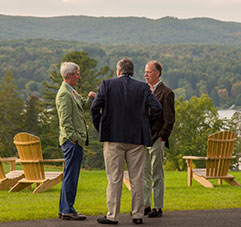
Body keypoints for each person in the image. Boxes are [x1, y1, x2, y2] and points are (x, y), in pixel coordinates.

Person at [91, 58, 162, 225]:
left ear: (118, 71)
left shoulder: (107, 85)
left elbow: (95, 108)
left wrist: (101, 127)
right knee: (137, 178)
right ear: (133, 71)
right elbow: (157, 108)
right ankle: (137, 215)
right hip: (137, 138)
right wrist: (146, 125)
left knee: (114, 178)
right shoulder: (142, 87)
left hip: (113, 138)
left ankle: (112, 215)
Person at [56, 62, 96, 220]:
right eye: (77, 74)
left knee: (69, 175)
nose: (79, 77)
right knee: (71, 176)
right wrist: (74, 139)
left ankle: (64, 208)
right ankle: (68, 210)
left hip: (74, 141)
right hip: (72, 142)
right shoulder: (64, 94)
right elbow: (65, 122)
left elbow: (83, 106)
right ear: (69, 75)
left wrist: (91, 98)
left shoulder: (71, 91)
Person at [144, 61, 175, 218]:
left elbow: (169, 120)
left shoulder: (167, 93)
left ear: (157, 73)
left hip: (157, 138)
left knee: (157, 173)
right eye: (145, 72)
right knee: (144, 173)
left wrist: (162, 137)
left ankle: (158, 207)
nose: (146, 74)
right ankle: (145, 205)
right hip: (144, 138)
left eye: (149, 72)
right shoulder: (144, 91)